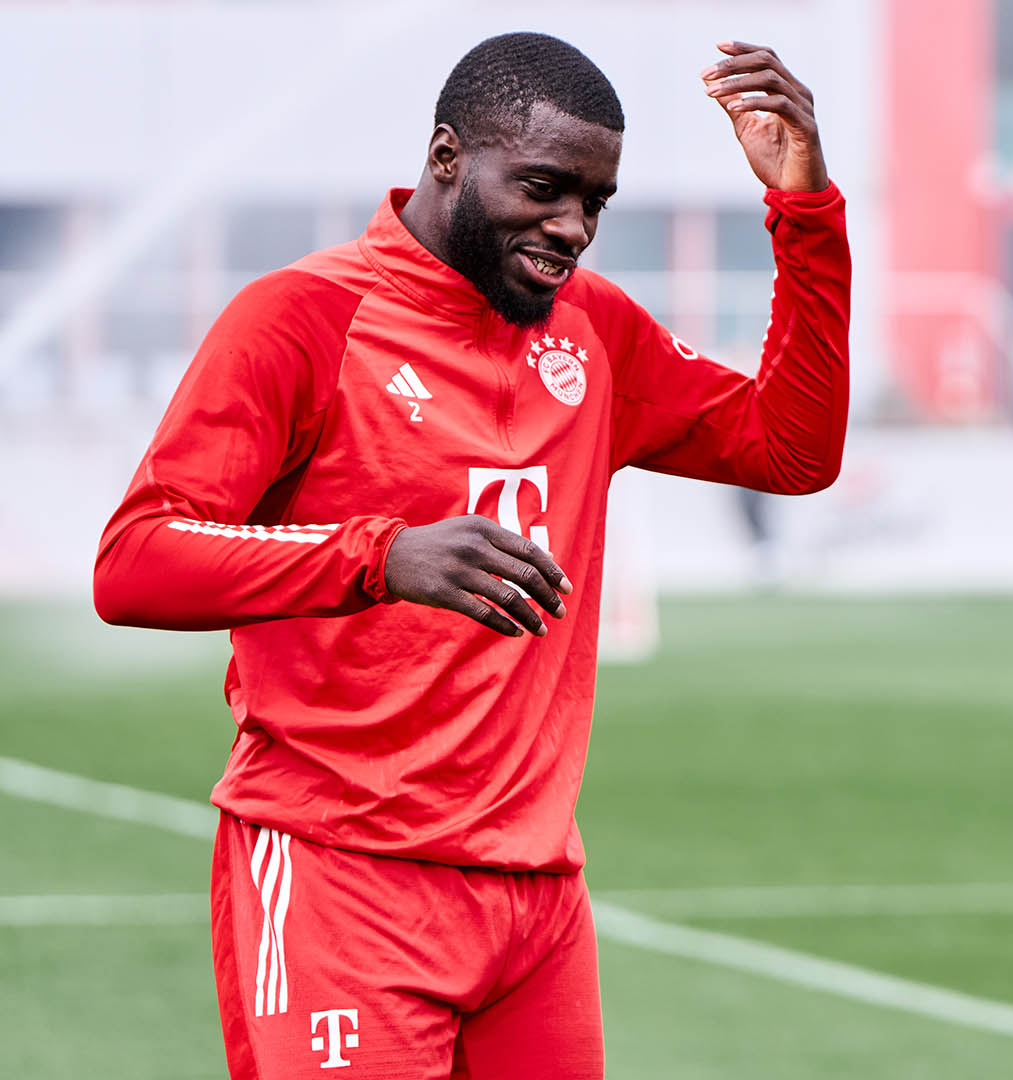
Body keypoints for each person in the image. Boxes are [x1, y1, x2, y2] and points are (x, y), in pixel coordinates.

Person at [93, 32, 849, 1079]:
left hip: (535, 902)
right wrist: (378, 556)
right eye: (544, 187)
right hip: (338, 877)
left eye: (596, 201)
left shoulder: (593, 330)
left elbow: (793, 447)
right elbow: (134, 562)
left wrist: (804, 215)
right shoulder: (301, 320)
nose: (573, 228)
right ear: (448, 157)